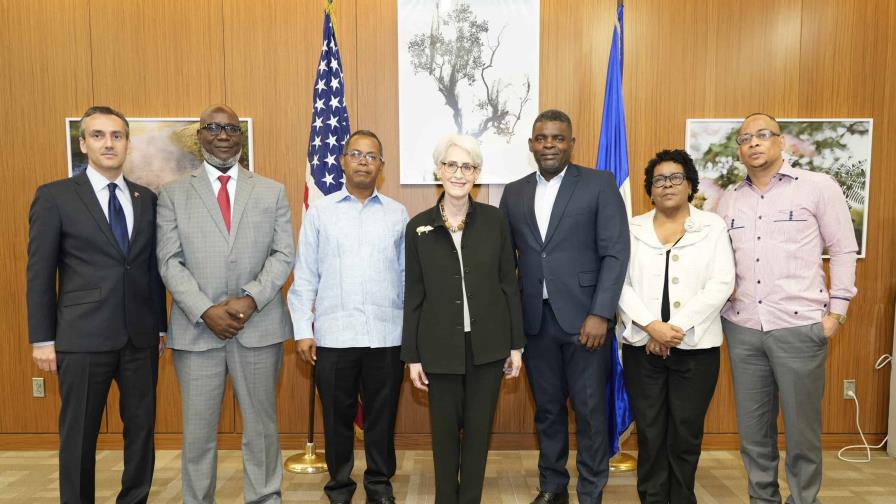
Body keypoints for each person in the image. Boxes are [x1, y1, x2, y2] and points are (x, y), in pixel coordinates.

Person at [27, 106, 167, 504]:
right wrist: (42, 338)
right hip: (82, 337)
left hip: (140, 338)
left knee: (141, 430)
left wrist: (160, 326)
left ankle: (134, 498)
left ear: (127, 143)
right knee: (79, 433)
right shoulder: (55, 196)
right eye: (99, 135)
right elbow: (39, 273)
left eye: (117, 135)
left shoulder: (146, 198)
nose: (109, 143)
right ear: (83, 143)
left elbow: (150, 269)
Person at [156, 104, 294, 503]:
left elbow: (284, 254)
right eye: (213, 128)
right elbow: (168, 260)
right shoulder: (173, 194)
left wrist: (250, 300)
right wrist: (205, 310)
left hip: (259, 327)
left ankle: (266, 497)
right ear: (199, 136)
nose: (222, 135)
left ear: (241, 137)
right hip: (197, 331)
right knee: (198, 432)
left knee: (262, 429)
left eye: (231, 128)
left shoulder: (271, 190)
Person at [718, 112, 858, 504]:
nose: (754, 143)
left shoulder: (816, 187)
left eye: (763, 135)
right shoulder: (728, 198)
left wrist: (838, 312)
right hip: (743, 329)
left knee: (802, 434)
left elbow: (844, 248)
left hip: (800, 328)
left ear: (782, 142)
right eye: (745, 138)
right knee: (753, 434)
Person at [499, 109, 629, 504]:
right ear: (531, 145)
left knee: (590, 414)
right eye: (541, 138)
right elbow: (506, 262)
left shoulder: (598, 184)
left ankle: (591, 492)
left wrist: (600, 313)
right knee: (548, 412)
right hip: (535, 323)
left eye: (557, 138)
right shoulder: (515, 191)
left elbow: (615, 252)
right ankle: (553, 487)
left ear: (571, 142)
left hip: (585, 322)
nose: (549, 144)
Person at [403, 134, 525, 504]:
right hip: (438, 349)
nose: (459, 173)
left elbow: (509, 283)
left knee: (477, 434)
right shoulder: (418, 227)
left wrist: (516, 345)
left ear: (477, 174)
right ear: (438, 171)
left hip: (488, 347)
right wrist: (412, 356)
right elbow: (414, 295)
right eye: (451, 165)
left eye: (467, 166)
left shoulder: (494, 220)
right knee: (443, 438)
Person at [288, 129, 408, 504]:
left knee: (382, 418)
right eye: (356, 154)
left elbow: (407, 278)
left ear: (381, 166)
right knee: (337, 420)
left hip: (386, 335)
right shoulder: (321, 212)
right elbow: (305, 274)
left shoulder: (397, 214)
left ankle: (379, 485)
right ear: (342, 160)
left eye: (371, 156)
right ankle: (339, 487)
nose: (363, 161)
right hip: (334, 336)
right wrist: (302, 330)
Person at [617, 149, 734, 503]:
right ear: (649, 190)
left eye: (675, 178)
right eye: (659, 180)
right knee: (650, 433)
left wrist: (674, 328)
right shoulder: (631, 227)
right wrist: (652, 327)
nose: (667, 185)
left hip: (696, 348)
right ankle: (652, 498)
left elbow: (722, 283)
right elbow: (618, 283)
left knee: (685, 434)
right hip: (642, 345)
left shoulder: (712, 225)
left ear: (690, 185)